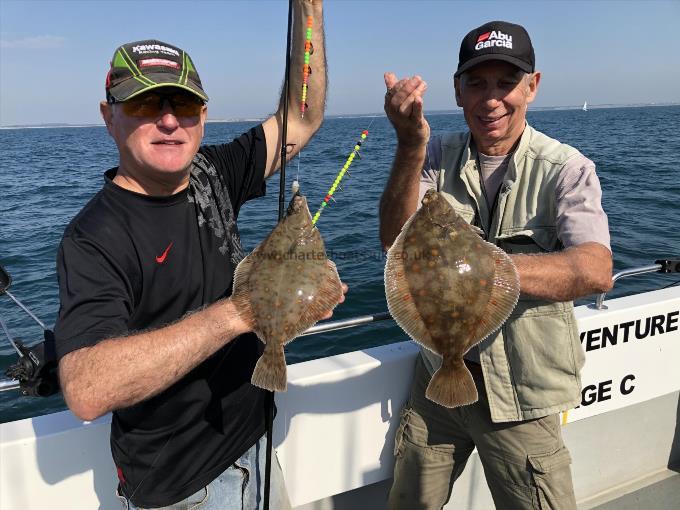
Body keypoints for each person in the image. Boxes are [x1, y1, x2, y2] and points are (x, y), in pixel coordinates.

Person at [53, 2, 339, 509]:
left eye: (183, 106)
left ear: (202, 116)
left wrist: (310, 11)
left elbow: (302, 115)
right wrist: (241, 312)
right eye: (144, 106)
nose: (168, 122)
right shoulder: (94, 238)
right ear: (109, 117)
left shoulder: (214, 172)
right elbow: (86, 387)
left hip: (257, 445)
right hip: (185, 489)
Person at [380, 20, 613, 509]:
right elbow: (393, 240)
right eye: (476, 83)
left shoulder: (567, 167)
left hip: (521, 394)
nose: (491, 99)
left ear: (533, 86)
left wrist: (480, 264)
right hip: (436, 381)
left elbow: (595, 269)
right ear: (458, 91)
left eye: (506, 82)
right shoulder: (432, 154)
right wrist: (407, 143)